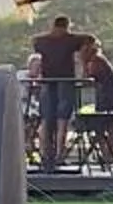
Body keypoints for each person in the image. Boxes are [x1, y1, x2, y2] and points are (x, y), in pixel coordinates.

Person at [29, 13, 89, 169]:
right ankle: (59, 155)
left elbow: (34, 41)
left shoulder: (41, 41)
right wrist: (83, 61)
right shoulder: (72, 39)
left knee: (46, 118)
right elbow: (90, 38)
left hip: (47, 81)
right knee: (62, 119)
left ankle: (45, 154)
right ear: (67, 26)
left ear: (53, 25)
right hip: (65, 80)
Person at [76, 35, 113, 167]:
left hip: (110, 97)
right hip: (101, 97)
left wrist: (82, 64)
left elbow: (88, 81)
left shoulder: (96, 61)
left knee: (107, 127)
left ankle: (107, 155)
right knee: (100, 127)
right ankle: (105, 154)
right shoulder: (92, 61)